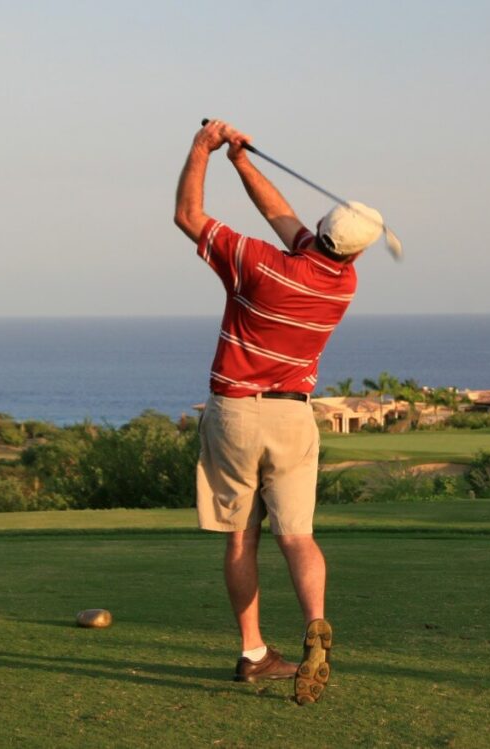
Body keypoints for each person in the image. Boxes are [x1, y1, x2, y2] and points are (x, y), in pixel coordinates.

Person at [174, 119, 383, 705]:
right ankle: (315, 623)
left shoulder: (258, 265)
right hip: (295, 419)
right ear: (357, 250)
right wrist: (242, 161)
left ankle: (254, 653)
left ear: (320, 228)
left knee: (242, 538)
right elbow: (283, 218)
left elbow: (189, 216)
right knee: (298, 535)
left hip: (237, 414)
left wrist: (203, 150)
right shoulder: (342, 283)